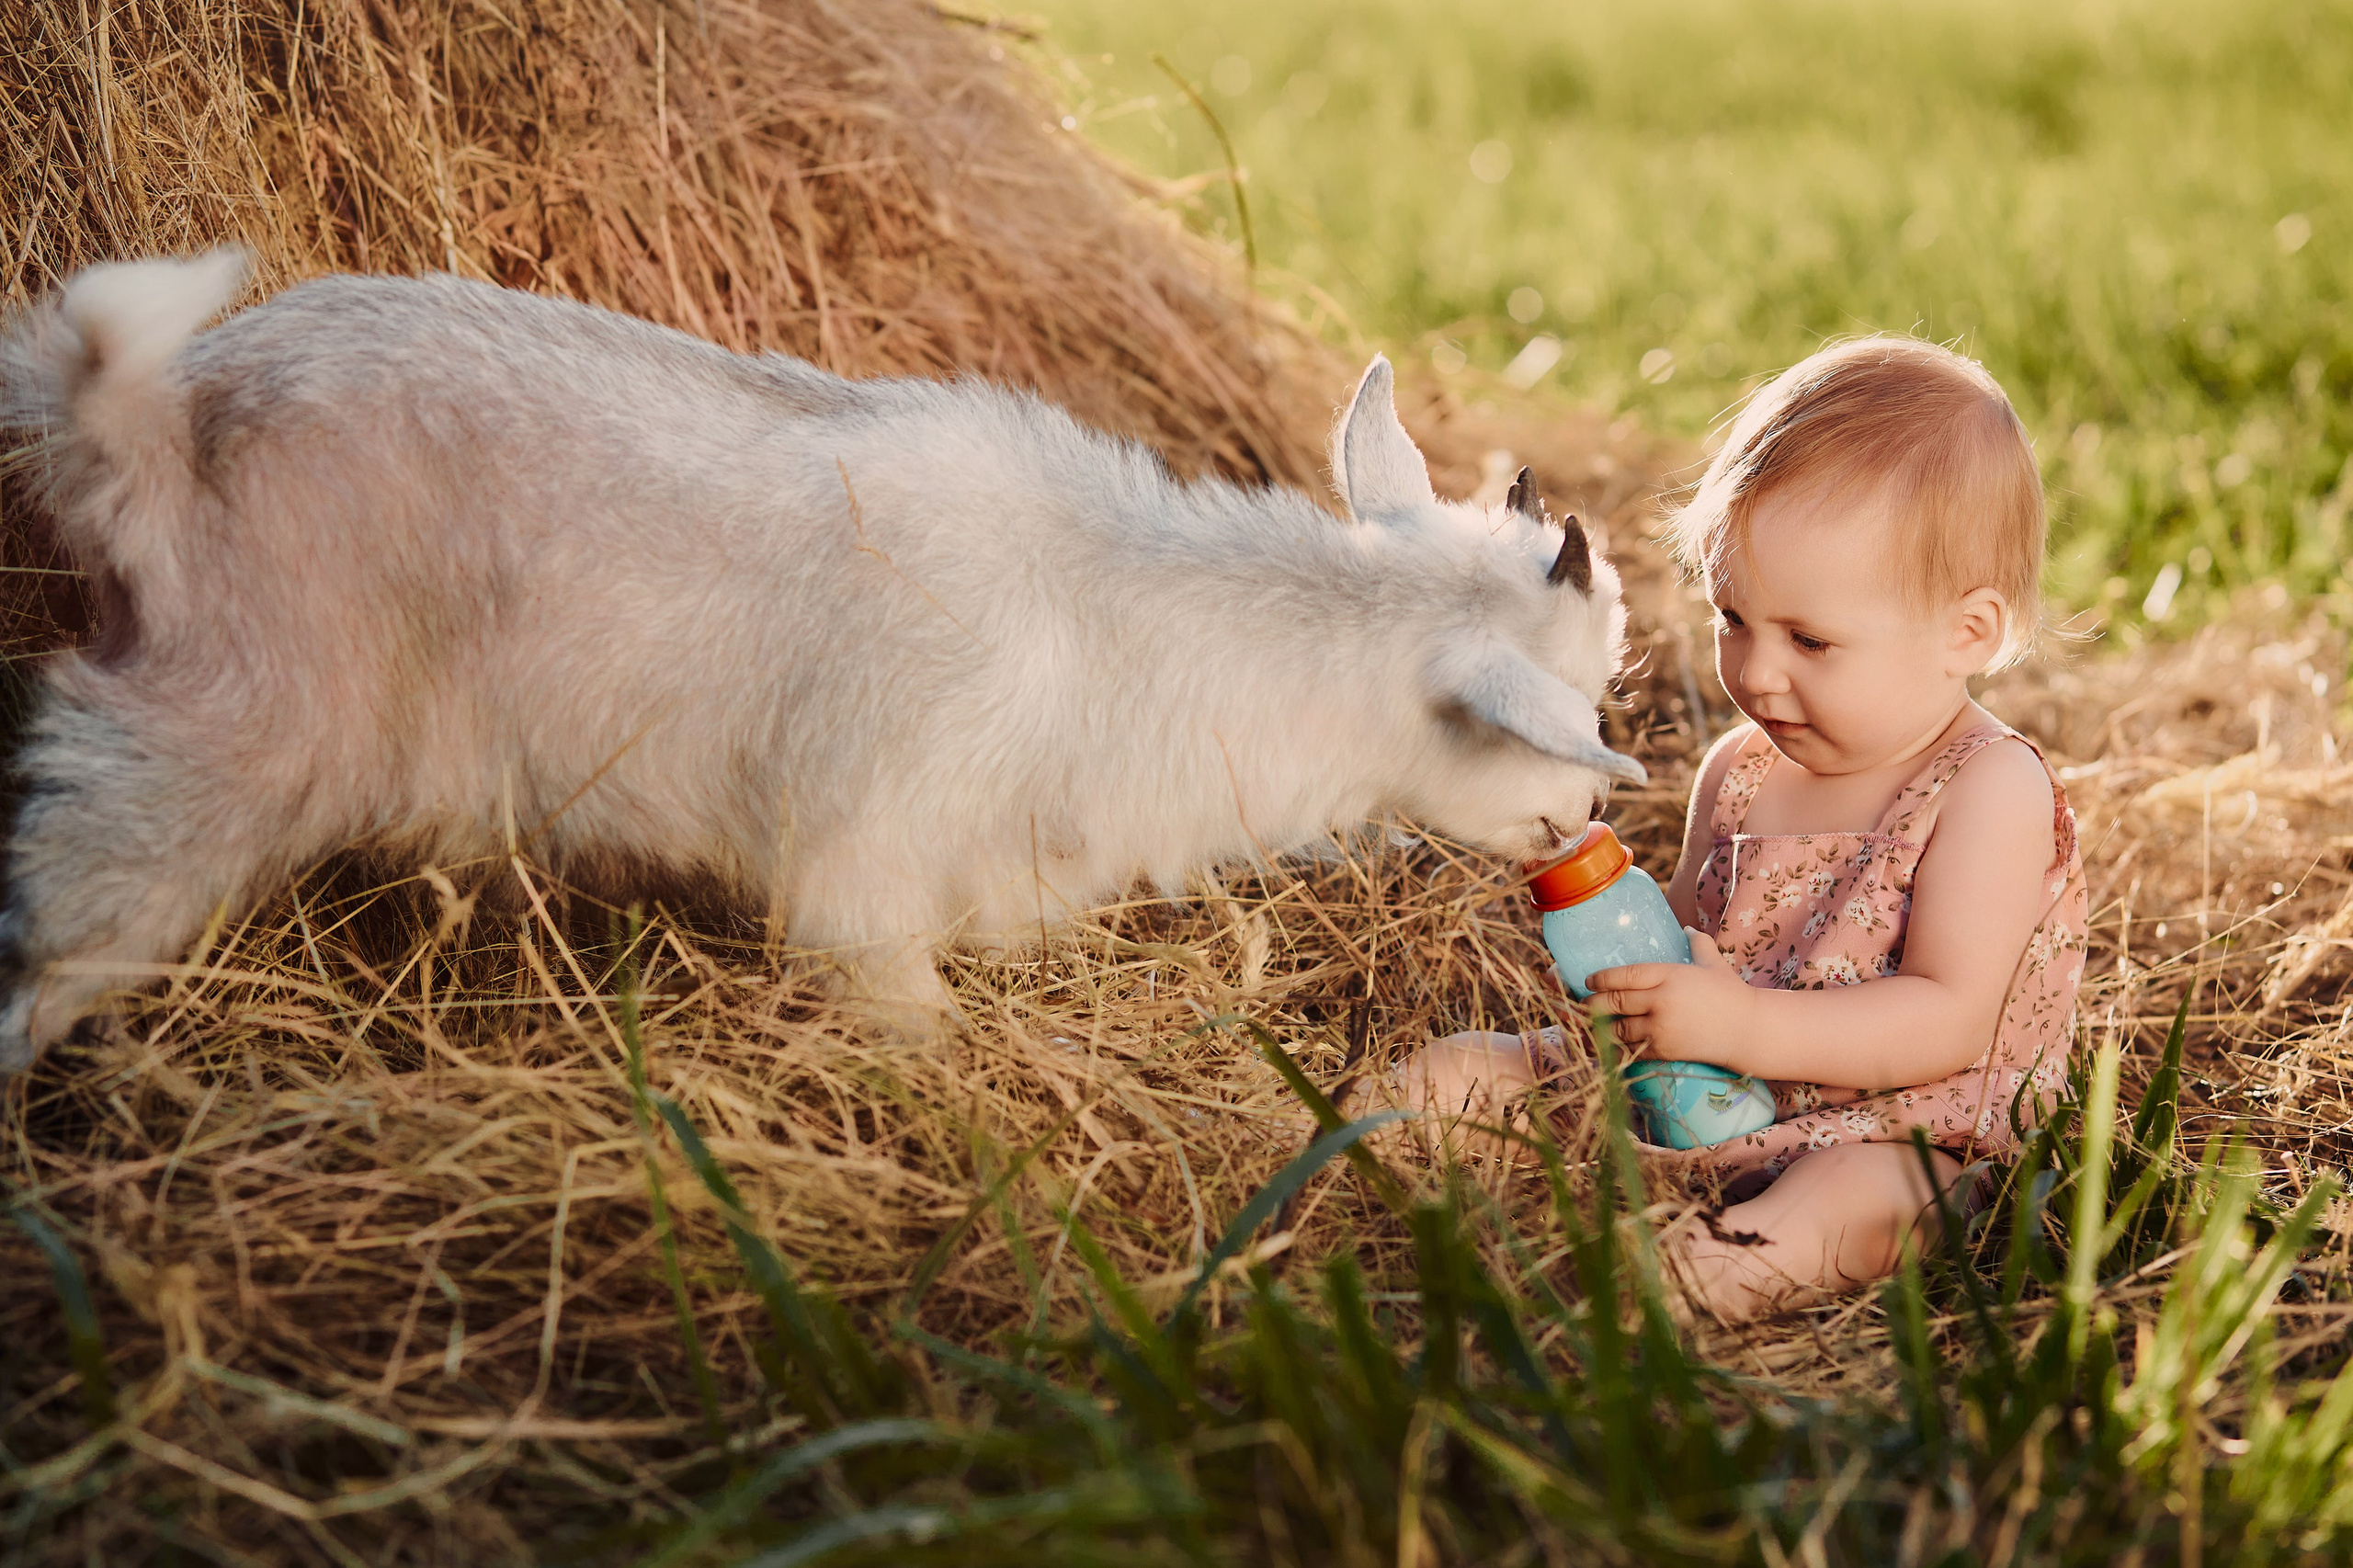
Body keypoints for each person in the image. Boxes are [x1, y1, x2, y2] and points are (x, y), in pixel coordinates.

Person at [1392, 335, 2088, 1323]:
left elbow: (1948, 1017)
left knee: (1862, 1201)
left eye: (1810, 639)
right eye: (1732, 619)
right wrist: (1628, 981)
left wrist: (1748, 1028)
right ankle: (1321, 1155)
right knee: (1467, 1068)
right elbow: (1686, 943)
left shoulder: (1986, 787)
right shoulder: (1741, 768)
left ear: (1964, 632)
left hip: (1896, 1124)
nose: (1757, 673)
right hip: (1701, 1086)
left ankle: (1694, 1277)